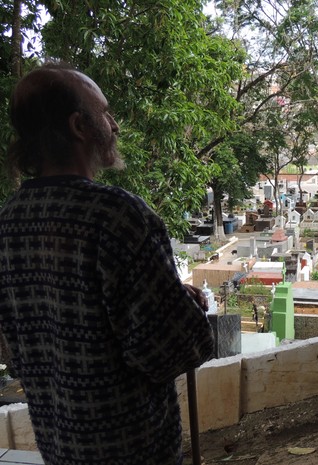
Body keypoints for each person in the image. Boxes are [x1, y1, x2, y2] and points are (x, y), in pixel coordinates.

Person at [0, 63, 214, 465]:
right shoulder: (116, 216)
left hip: (59, 447)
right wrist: (185, 309)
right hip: (133, 450)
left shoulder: (8, 221)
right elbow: (174, 350)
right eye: (105, 113)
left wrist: (161, 296)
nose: (114, 125)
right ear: (80, 126)